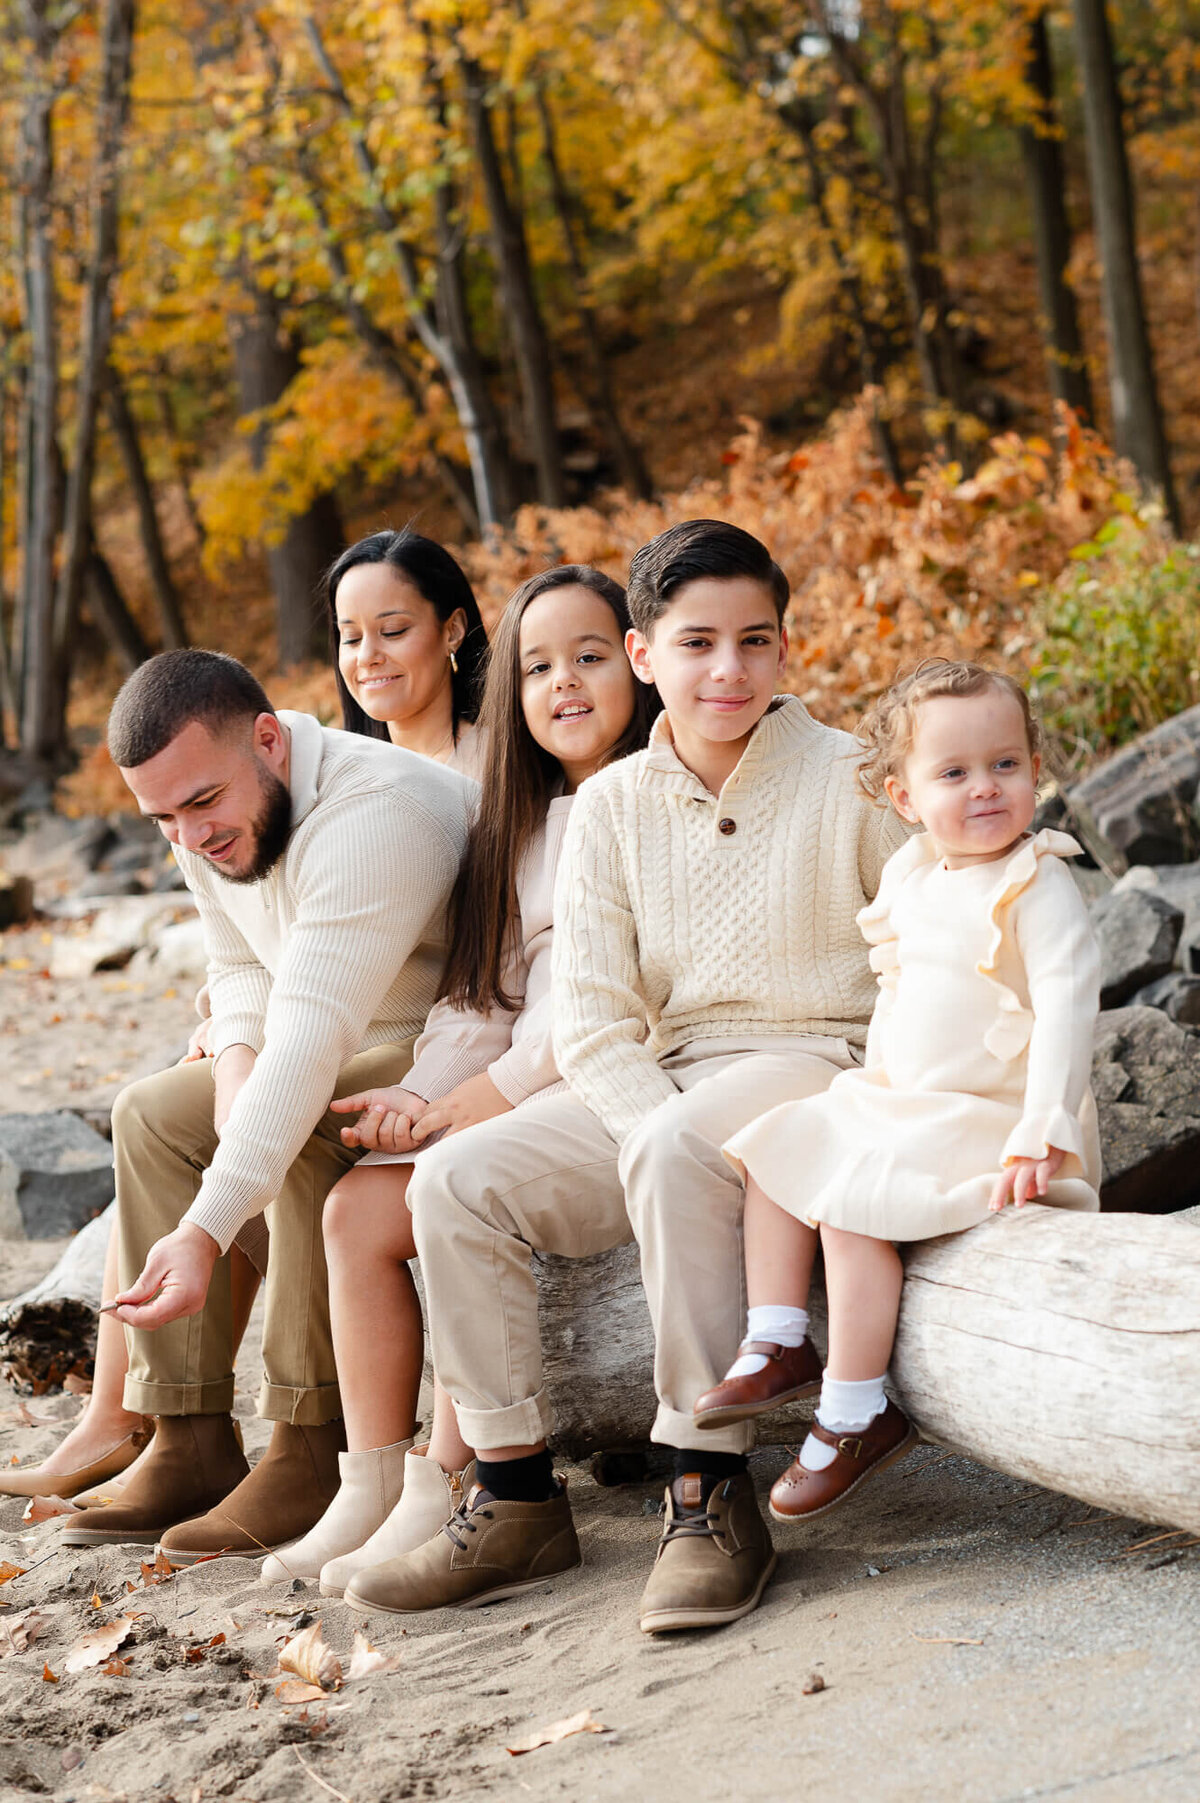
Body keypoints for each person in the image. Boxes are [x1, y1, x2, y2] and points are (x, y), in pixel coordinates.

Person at [341, 519, 906, 1632]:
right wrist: (667, 1133)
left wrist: (705, 1139)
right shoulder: (609, 806)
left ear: (787, 649)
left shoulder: (853, 779)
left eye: (755, 641)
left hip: (815, 1062)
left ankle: (707, 1486)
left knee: (675, 1142)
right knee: (455, 1181)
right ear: (647, 656)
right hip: (662, 1080)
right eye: (697, 644)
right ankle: (511, 1495)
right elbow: (594, 1022)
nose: (728, 670)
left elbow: (918, 960)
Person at [2, 530, 488, 1506]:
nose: (190, 837)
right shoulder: (207, 802)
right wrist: (231, 1081)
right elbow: (238, 965)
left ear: (269, 740)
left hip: (430, 1040)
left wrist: (211, 1222)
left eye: (201, 805)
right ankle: (184, 1432)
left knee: (303, 1114)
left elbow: (312, 1033)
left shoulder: (378, 808)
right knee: (150, 1110)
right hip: (342, 1035)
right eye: (162, 820)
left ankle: (310, 1445)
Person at [259, 566, 659, 1593]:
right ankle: (377, 1485)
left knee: (452, 1172)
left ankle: (457, 1479)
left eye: (589, 657)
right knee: (353, 1214)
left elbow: (587, 1017)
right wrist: (417, 1092)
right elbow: (481, 999)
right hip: (527, 1083)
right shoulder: (519, 820)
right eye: (537, 668)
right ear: (510, 693)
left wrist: (462, 1109)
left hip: (612, 1082)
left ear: (640, 661)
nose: (564, 684)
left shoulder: (655, 794)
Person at [711, 661, 1101, 1518]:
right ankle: (777, 1336)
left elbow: (1071, 1009)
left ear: (1036, 767)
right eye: (953, 772)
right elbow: (898, 991)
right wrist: (868, 1092)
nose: (986, 788)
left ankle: (857, 1409)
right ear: (903, 796)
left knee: (852, 1206)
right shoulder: (915, 875)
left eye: (1005, 764)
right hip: (912, 1102)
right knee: (777, 1145)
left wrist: (1043, 1127)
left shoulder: (1037, 881)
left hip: (994, 1117)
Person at [329, 526, 488, 777]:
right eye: (352, 638)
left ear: (453, 631)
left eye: (393, 631)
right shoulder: (337, 779)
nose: (366, 657)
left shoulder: (502, 766)